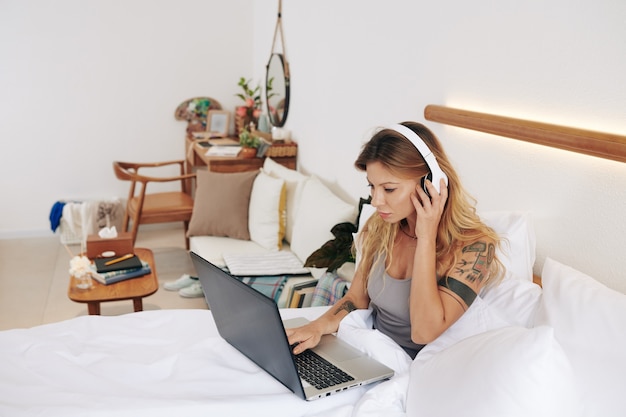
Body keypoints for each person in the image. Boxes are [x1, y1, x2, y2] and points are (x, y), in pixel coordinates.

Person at [286, 121, 504, 359]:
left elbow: (424, 332)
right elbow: (356, 298)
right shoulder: (381, 228)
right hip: (370, 355)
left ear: (429, 182)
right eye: (372, 186)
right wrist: (315, 328)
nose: (376, 200)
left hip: (419, 373)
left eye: (389, 189)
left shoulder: (475, 247)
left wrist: (426, 237)